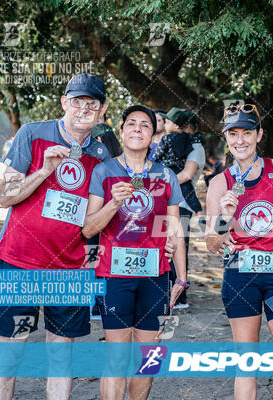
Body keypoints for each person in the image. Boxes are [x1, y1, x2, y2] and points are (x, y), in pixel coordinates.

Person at [0, 73, 110, 400]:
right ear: (64, 102)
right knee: (10, 355)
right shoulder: (33, 134)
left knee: (61, 357)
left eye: (91, 104)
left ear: (102, 110)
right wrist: (43, 171)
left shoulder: (102, 155)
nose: (83, 109)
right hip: (19, 261)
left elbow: (92, 221)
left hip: (70, 268)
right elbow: (5, 197)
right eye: (77, 101)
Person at [82, 104, 186, 400]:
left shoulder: (166, 176)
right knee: (116, 358)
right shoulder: (104, 171)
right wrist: (113, 204)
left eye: (145, 125)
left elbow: (175, 229)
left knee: (149, 359)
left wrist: (182, 279)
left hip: (155, 277)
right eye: (132, 123)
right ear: (122, 130)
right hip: (115, 277)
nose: (137, 129)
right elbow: (88, 229)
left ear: (153, 135)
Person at [206, 104, 273, 400]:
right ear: (226, 137)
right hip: (240, 277)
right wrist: (224, 217)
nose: (240, 140)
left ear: (259, 134)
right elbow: (213, 244)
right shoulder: (218, 183)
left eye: (247, 132)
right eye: (233, 133)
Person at [153, 107, 205, 308]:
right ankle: (165, 291)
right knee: (165, 246)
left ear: (179, 126)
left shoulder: (196, 148)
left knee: (178, 247)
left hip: (182, 203)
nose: (164, 124)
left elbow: (186, 175)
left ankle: (180, 296)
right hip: (165, 201)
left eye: (167, 121)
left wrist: (157, 182)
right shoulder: (169, 143)